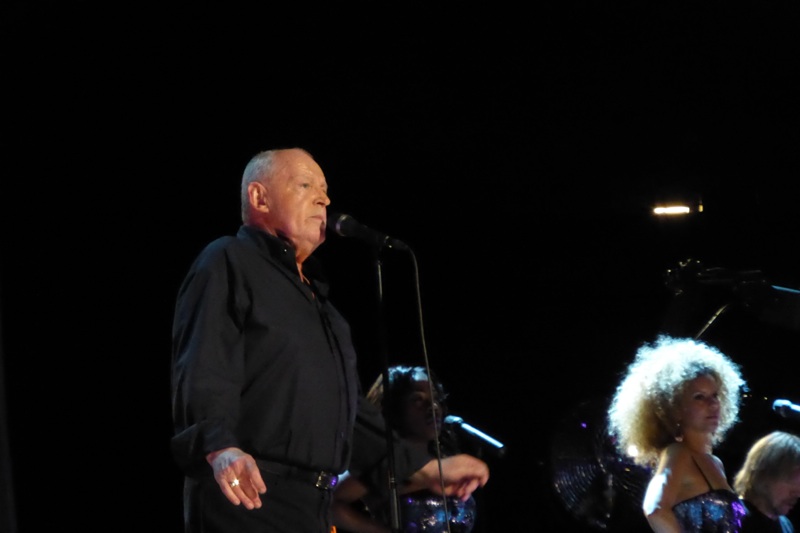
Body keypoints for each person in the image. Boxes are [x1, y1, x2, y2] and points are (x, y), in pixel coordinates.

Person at [170, 147, 489, 533]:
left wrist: (421, 467)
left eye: (325, 190)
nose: (324, 199)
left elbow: (350, 412)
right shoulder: (228, 259)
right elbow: (204, 363)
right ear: (259, 198)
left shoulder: (325, 310)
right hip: (247, 495)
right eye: (306, 185)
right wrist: (219, 446)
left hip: (313, 506)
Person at [606, 334, 748, 532]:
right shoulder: (678, 453)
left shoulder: (716, 463)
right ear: (675, 409)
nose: (712, 403)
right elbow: (654, 509)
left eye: (715, 395)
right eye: (699, 397)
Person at [331, 365, 478, 533]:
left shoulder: (445, 461)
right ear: (394, 408)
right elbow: (330, 501)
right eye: (418, 399)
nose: (432, 406)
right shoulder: (382, 463)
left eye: (436, 398)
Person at [733, 430, 800, 532]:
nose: (797, 493)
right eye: (792, 481)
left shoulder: (786, 525)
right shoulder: (734, 517)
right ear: (764, 474)